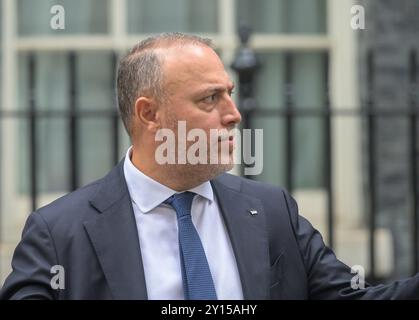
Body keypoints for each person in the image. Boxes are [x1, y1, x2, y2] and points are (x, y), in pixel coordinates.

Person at [1, 33, 419, 300]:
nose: (234, 114)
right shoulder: (59, 233)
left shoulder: (272, 211)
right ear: (150, 115)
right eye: (209, 99)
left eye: (230, 94)